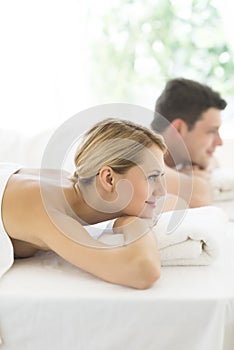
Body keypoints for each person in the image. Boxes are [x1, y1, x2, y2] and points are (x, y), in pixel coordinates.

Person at [1, 118, 167, 289]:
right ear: (109, 179)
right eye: (152, 177)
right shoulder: (46, 209)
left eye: (162, 177)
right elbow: (142, 272)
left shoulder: (67, 184)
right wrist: (133, 222)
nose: (162, 191)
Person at [151, 78, 227, 208]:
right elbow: (199, 195)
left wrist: (197, 169)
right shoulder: (143, 152)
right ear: (178, 129)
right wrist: (191, 177)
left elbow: (214, 162)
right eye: (211, 131)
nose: (219, 142)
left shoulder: (179, 160)